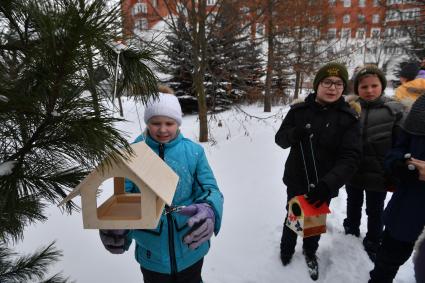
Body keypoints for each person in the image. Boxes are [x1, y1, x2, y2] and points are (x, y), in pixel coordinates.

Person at [99, 86, 224, 283]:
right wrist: (117, 230)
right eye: (156, 123)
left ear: (178, 123)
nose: (163, 129)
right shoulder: (133, 154)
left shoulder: (194, 153)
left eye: (169, 122)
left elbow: (210, 189)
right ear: (147, 122)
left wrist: (210, 209)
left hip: (190, 248)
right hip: (152, 256)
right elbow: (123, 199)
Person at [275, 62, 362, 281]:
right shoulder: (299, 111)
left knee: (314, 222)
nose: (332, 88)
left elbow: (350, 158)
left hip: (324, 184)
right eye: (327, 82)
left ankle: (310, 252)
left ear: (344, 88)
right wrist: (295, 133)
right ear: (317, 85)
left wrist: (328, 184)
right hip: (296, 179)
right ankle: (286, 250)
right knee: (293, 216)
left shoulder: (348, 118)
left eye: (338, 83)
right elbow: (280, 139)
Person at [342, 66, 404, 262]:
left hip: (380, 173)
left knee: (375, 210)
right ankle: (351, 227)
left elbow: (400, 144)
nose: (369, 90)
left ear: (382, 86)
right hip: (354, 170)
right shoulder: (350, 109)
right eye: (364, 86)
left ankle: (373, 239)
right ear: (357, 88)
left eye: (374, 86)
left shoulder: (393, 110)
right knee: (353, 202)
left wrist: (395, 171)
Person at [369, 94, 425, 283]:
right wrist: (398, 164)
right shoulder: (421, 108)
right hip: (409, 205)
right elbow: (398, 148)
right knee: (388, 259)